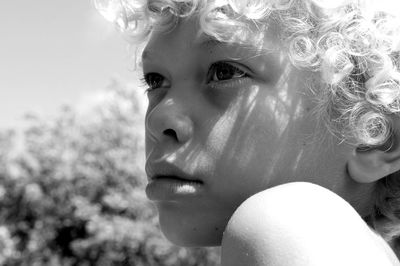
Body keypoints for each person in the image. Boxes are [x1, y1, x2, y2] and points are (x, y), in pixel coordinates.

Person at [97, 0, 400, 264]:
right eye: (155, 80)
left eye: (225, 72)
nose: (158, 117)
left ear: (375, 137)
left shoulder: (288, 224)